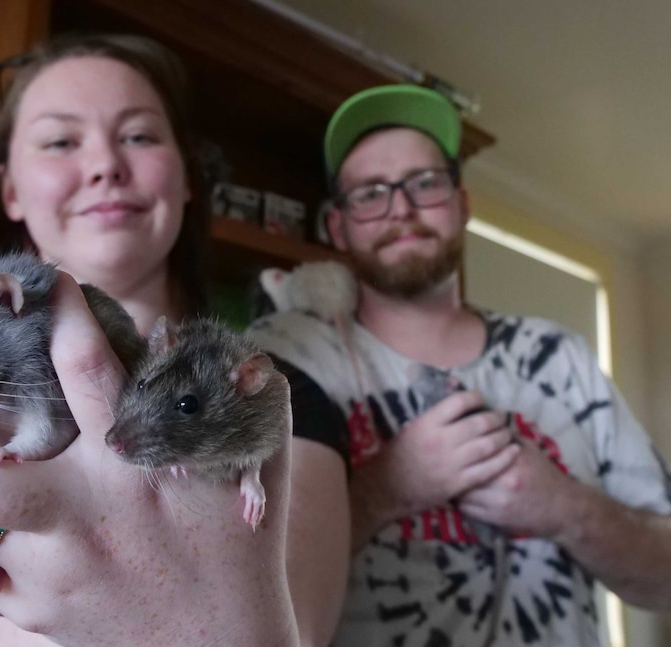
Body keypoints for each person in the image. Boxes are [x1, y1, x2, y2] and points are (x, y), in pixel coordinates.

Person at [0, 33, 333, 646]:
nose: (105, 164)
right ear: (9, 189)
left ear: (189, 178)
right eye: (60, 141)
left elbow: (303, 627)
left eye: (139, 136)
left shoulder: (274, 391)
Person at [248, 84, 671, 646]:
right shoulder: (284, 358)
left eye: (425, 183)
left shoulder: (560, 358)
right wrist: (386, 488)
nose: (402, 207)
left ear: (462, 205)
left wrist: (565, 507)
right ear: (338, 226)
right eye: (371, 192)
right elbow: (239, 584)